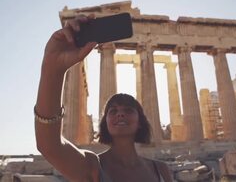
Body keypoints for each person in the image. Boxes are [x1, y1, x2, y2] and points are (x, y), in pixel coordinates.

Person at [35, 15, 173, 182]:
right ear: (104, 122)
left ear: (141, 122)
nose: (120, 114)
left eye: (128, 110)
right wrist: (53, 68)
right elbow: (49, 146)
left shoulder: (160, 170)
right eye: (112, 111)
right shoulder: (92, 166)